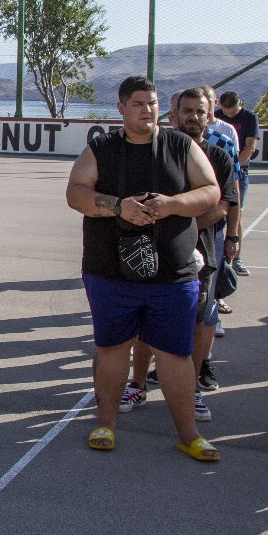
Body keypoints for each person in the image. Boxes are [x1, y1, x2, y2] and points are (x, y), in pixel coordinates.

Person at [65, 75, 222, 460]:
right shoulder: (101, 148)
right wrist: (118, 206)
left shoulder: (180, 145)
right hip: (110, 272)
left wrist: (172, 204)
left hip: (173, 273)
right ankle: (105, 423)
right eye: (138, 104)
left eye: (152, 103)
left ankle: (189, 434)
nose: (147, 110)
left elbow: (211, 191)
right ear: (121, 108)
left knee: (175, 354)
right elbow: (76, 192)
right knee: (111, 348)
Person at [128, 90, 240, 421]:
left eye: (199, 112)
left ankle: (191, 389)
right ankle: (137, 384)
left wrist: (186, 227)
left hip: (201, 251)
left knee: (201, 319)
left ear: (209, 116)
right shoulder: (156, 151)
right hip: (154, 249)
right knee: (146, 318)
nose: (193, 117)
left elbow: (224, 205)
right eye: (187, 111)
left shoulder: (219, 156)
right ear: (174, 115)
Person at [214, 89, 258, 276]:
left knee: (236, 212)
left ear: (240, 104)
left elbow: (250, 147)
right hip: (215, 173)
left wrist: (233, 168)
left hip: (238, 172)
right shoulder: (216, 117)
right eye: (226, 113)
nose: (229, 116)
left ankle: (237, 258)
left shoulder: (249, 118)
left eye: (233, 113)